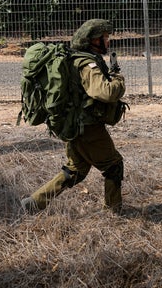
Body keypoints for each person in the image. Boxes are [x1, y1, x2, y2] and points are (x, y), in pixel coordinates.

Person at [21, 19, 127, 214]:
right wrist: (118, 78)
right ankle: (114, 212)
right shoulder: (87, 64)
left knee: (75, 171)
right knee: (113, 166)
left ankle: (33, 203)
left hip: (73, 126)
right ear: (93, 41)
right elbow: (105, 93)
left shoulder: (76, 58)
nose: (108, 42)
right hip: (88, 128)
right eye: (105, 38)